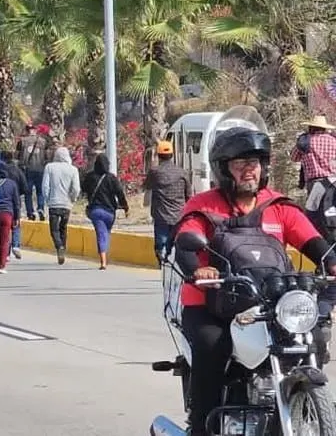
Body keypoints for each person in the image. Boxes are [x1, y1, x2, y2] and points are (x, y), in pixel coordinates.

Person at [173, 125, 336, 435]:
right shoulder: (204, 206)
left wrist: (331, 262)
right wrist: (198, 269)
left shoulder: (277, 207)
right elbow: (184, 242)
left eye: (255, 163)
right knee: (211, 346)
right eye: (240, 164)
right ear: (224, 169)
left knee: (310, 339)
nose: (249, 171)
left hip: (271, 302)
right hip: (211, 301)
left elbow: (314, 243)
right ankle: (202, 426)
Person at [144, 140, 190, 262]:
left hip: (161, 214)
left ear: (158, 155)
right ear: (172, 154)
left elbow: (147, 186)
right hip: (179, 214)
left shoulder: (154, 172)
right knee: (176, 241)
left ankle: (162, 260)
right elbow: (189, 194)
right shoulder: (182, 172)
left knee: (161, 241)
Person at [81, 154, 129, 270]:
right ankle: (104, 258)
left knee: (102, 234)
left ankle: (103, 261)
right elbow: (120, 193)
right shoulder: (111, 178)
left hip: (96, 211)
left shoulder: (90, 177)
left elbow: (83, 189)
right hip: (110, 212)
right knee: (105, 233)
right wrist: (125, 207)